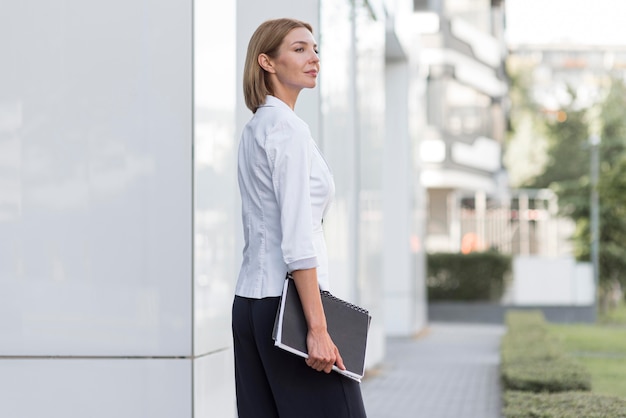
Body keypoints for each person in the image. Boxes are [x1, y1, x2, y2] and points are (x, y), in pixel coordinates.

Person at [232, 18, 367, 418]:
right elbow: (297, 241)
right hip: (287, 310)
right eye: (299, 49)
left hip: (251, 305)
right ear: (267, 62)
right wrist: (320, 329)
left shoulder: (256, 128)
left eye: (315, 49)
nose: (313, 59)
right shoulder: (287, 130)